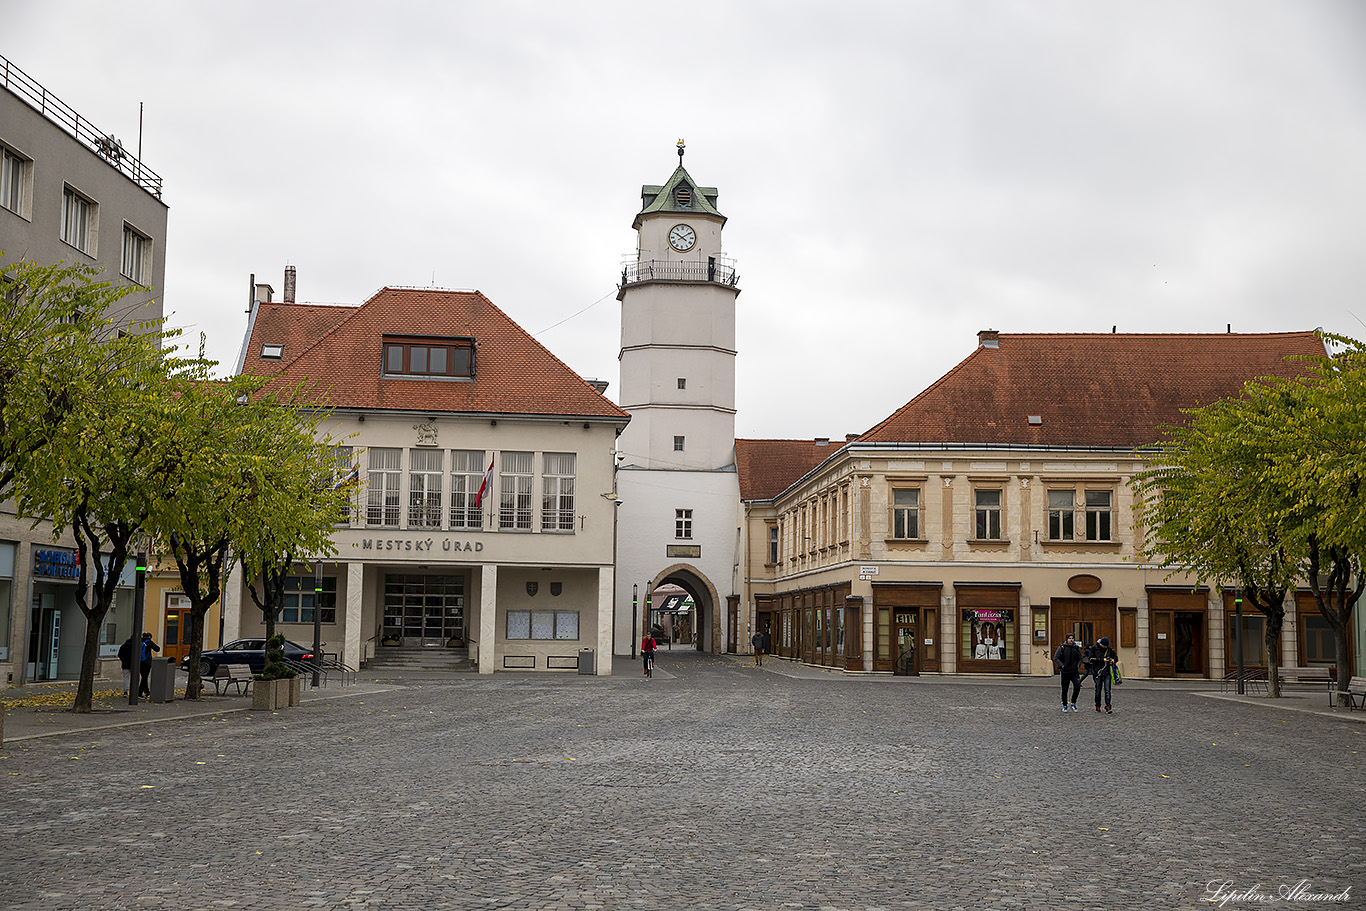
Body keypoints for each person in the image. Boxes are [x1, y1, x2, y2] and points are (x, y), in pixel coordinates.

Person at [1053, 633, 1084, 712]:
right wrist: (1062, 665)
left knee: (1077, 686)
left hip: (1074, 671)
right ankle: (1064, 704)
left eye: (1072, 638)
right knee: (1064, 689)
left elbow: (1080, 658)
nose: (1071, 640)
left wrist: (1078, 665)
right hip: (1065, 671)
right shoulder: (1062, 647)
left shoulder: (1076, 648)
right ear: (1067, 639)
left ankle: (1073, 702)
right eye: (1069, 638)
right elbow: (1056, 657)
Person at [1088, 636, 1118, 713]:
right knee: (1098, 691)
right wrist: (1102, 660)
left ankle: (1108, 706)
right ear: (1100, 644)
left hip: (1107, 672)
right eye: (1104, 645)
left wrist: (1113, 660)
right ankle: (1097, 705)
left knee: (1107, 691)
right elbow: (1091, 659)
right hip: (1097, 673)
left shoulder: (1109, 649)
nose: (1105, 647)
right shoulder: (1094, 649)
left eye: (1106, 646)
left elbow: (1115, 656)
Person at [137, 632, 161, 698]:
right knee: (144, 677)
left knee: (144, 677)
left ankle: (146, 692)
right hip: (147, 662)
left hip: (139, 662)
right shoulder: (149, 642)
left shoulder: (139, 641)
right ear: (149, 637)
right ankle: (139, 693)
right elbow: (157, 649)